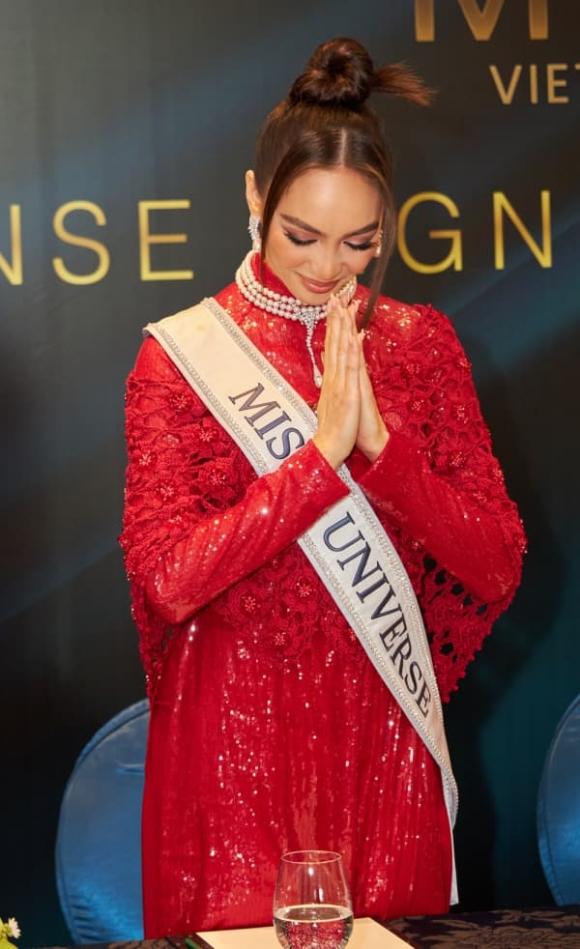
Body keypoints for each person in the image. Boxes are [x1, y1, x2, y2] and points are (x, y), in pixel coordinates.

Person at [120, 36, 526, 938]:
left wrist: (380, 447)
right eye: (302, 234)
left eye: (360, 241)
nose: (327, 265)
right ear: (255, 197)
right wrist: (318, 462)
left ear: (387, 224)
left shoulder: (420, 345)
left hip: (384, 744)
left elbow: (495, 562)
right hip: (231, 756)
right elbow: (167, 577)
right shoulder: (179, 356)